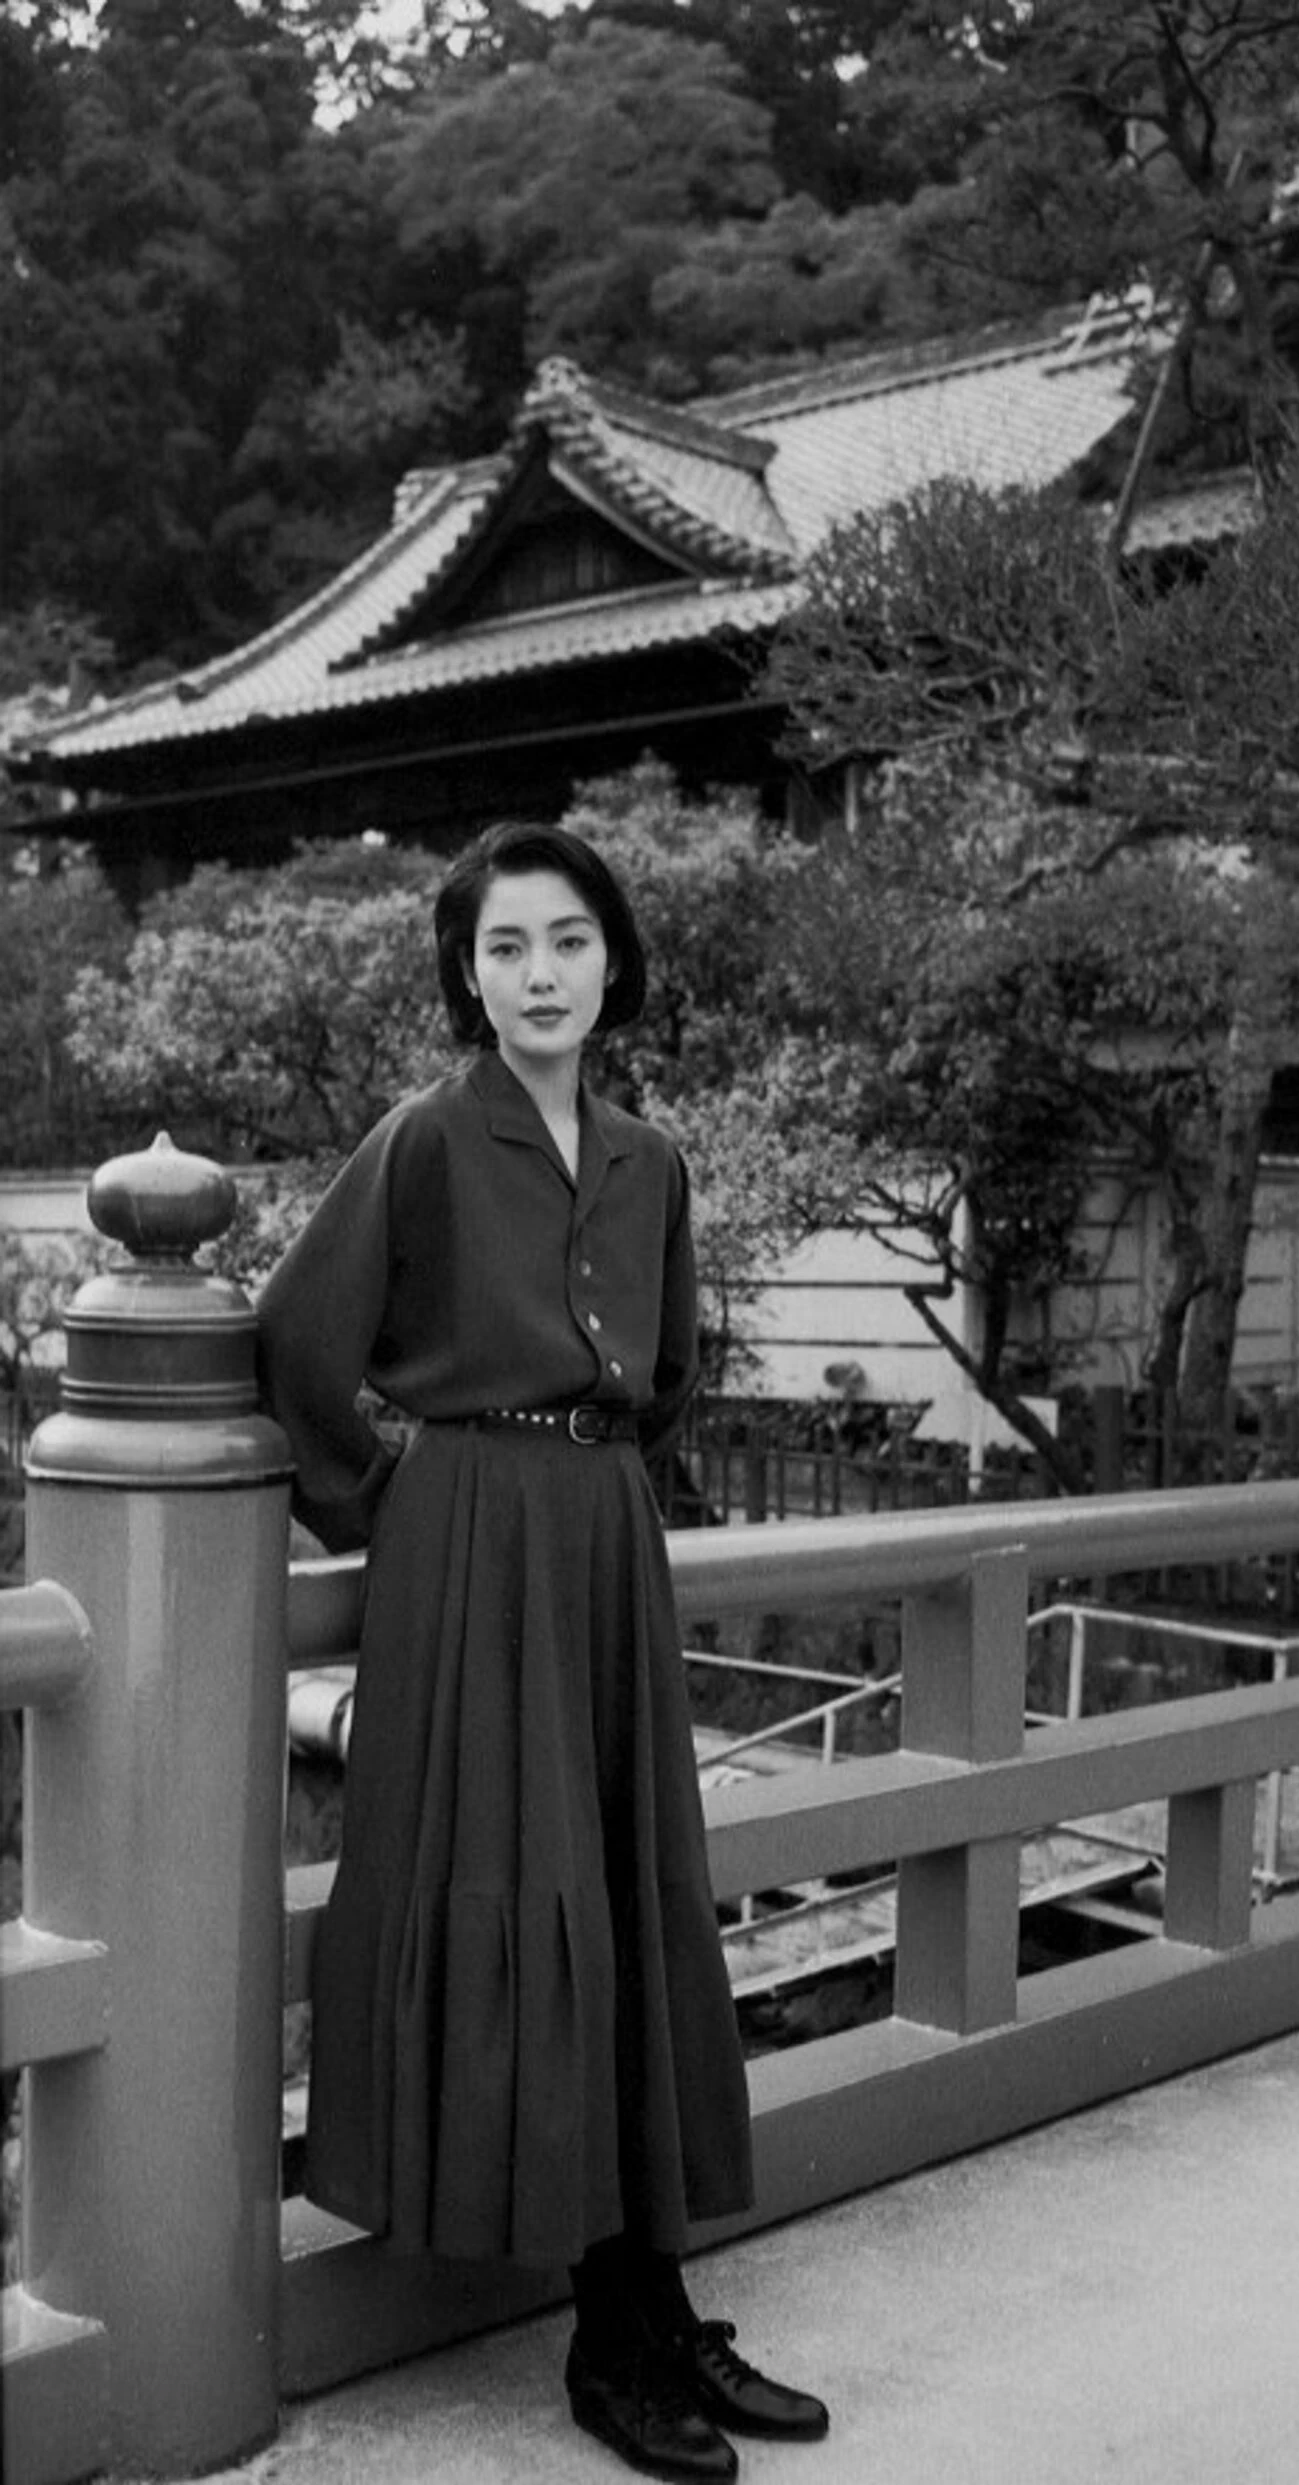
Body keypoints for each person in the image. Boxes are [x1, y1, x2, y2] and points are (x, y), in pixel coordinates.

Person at [258, 821, 828, 2484]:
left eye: (568, 940)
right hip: (471, 1545)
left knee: (636, 1900)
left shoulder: (654, 1160)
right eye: (505, 947)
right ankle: (605, 2338)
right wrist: (392, 1506)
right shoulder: (426, 1140)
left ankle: (657, 2309)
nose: (540, 974)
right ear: (468, 973)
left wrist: (590, 1495)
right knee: (539, 1899)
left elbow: (669, 1377)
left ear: (614, 958)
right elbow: (294, 1344)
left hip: (603, 1544)